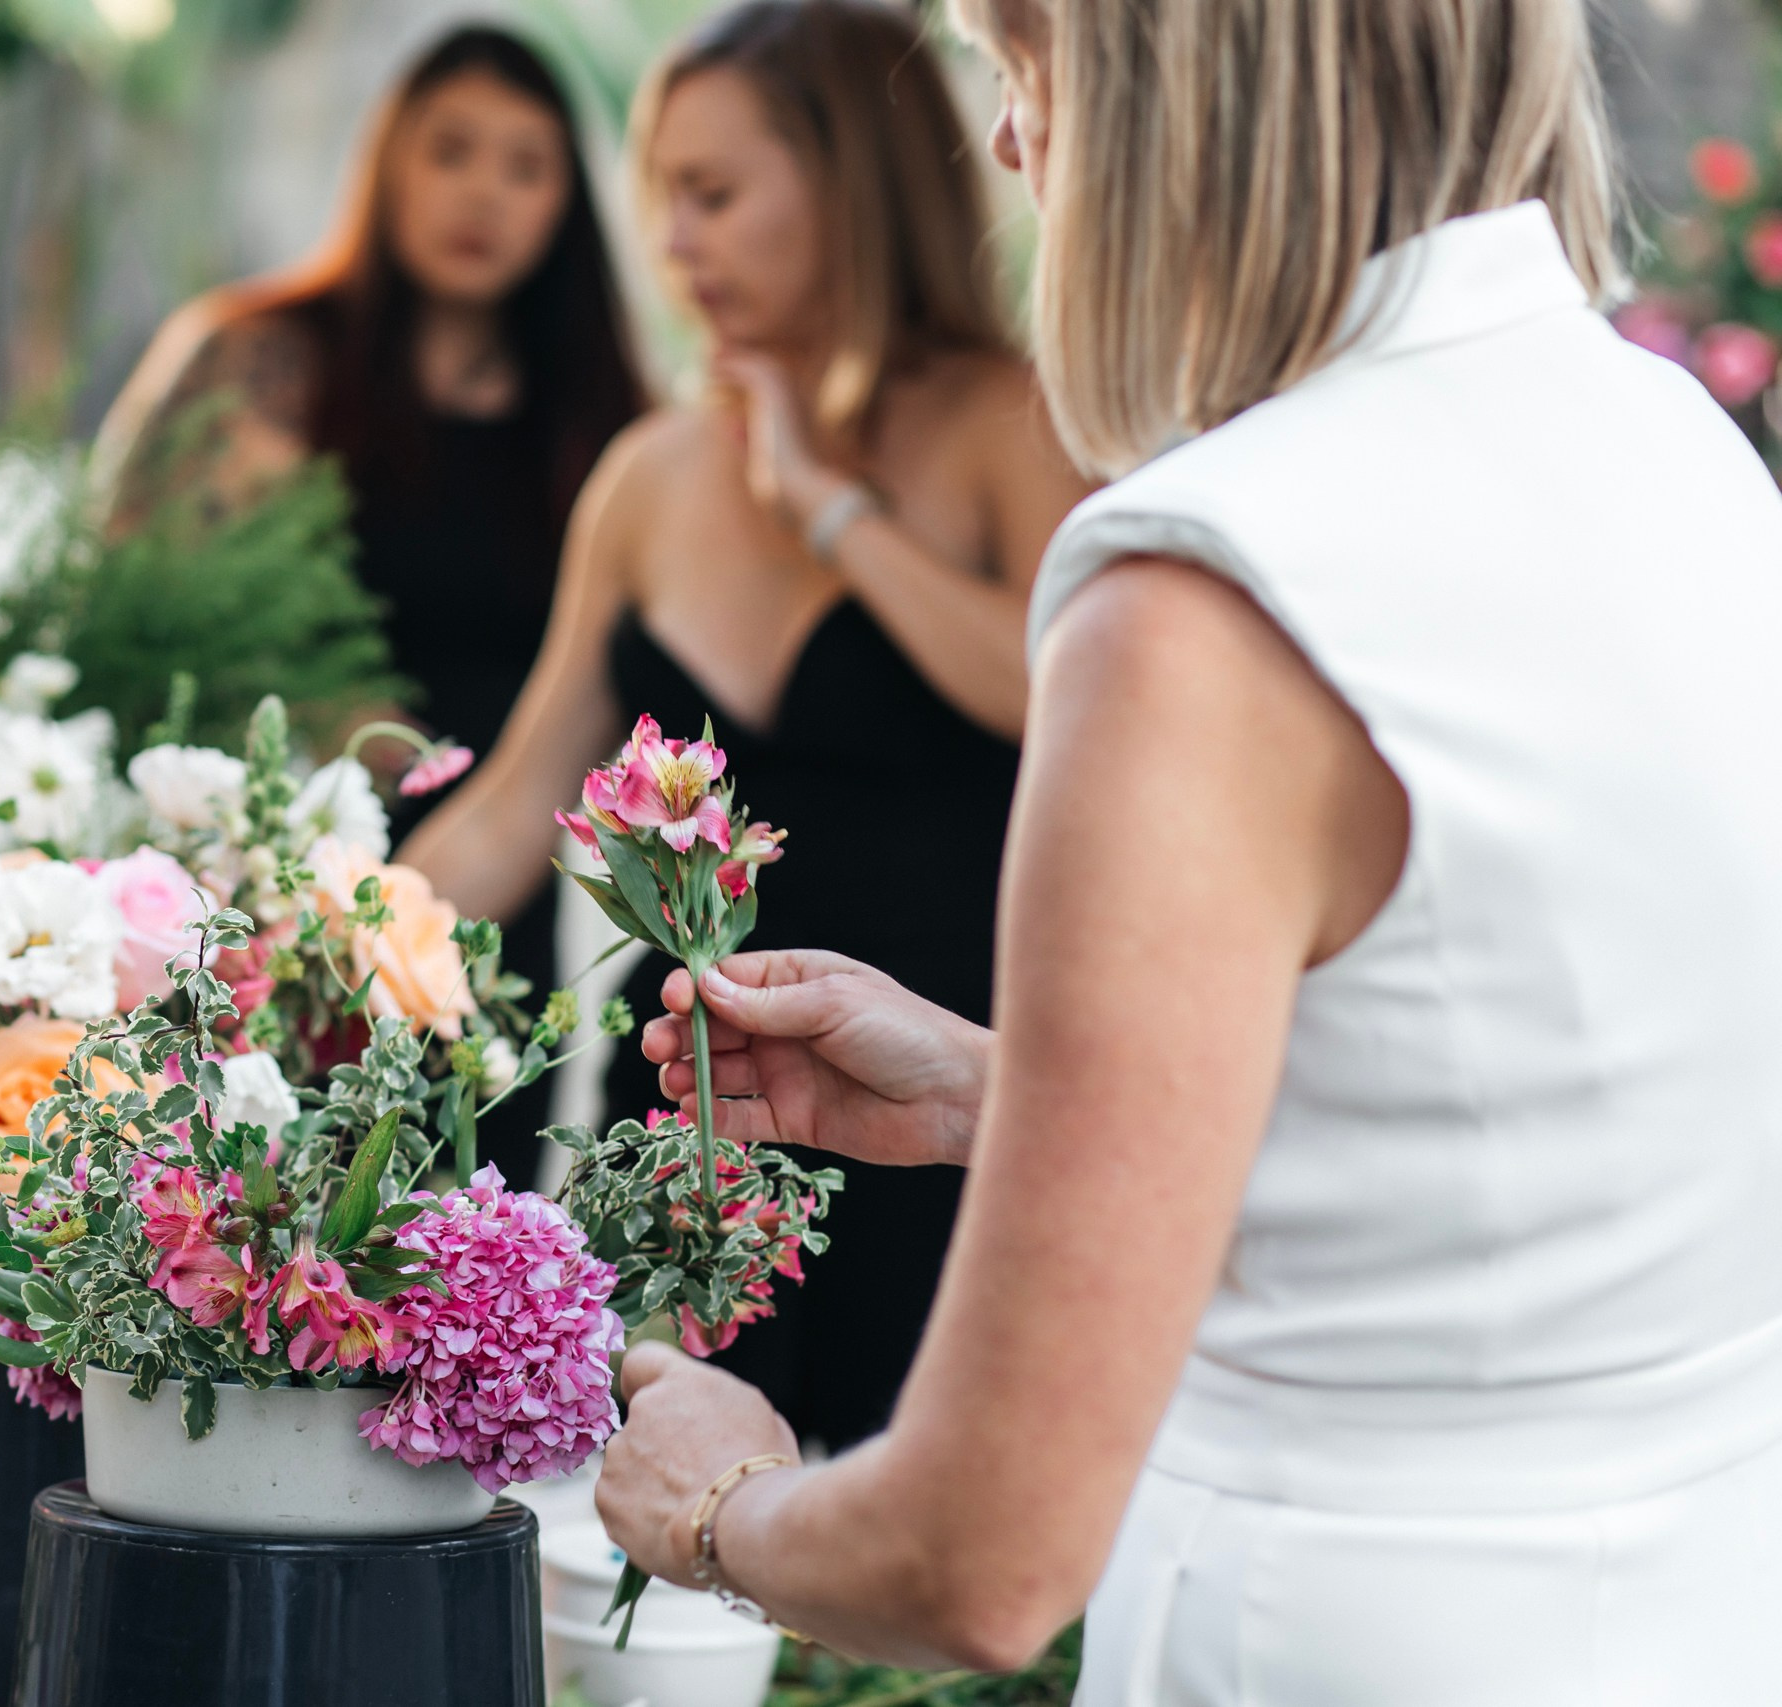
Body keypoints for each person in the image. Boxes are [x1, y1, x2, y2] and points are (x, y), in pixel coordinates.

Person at [594, 0, 1782, 1695]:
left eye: (1025, 69)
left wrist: (716, 1496)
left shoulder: (1200, 594)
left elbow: (976, 1560)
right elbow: (1536, 1140)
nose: (1007, 141)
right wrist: (1011, 1099)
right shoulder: (1678, 451)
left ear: (1174, 93)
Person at [399, 0, 1090, 1452]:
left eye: (714, 193)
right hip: (714, 1127)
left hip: (953, 1099)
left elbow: (1061, 688)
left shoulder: (1014, 423)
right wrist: (311, 940)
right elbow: (520, 803)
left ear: (850, 185)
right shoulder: (649, 478)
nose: (677, 243)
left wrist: (829, 508)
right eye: (663, 201)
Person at [96, 25, 649, 1187]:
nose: (482, 194)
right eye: (451, 150)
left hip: (495, 902)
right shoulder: (255, 361)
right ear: (388, 159)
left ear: (567, 200)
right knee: (237, 1236)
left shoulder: (603, 420)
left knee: (451, 1248)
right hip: (266, 872)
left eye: (525, 164)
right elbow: (131, 609)